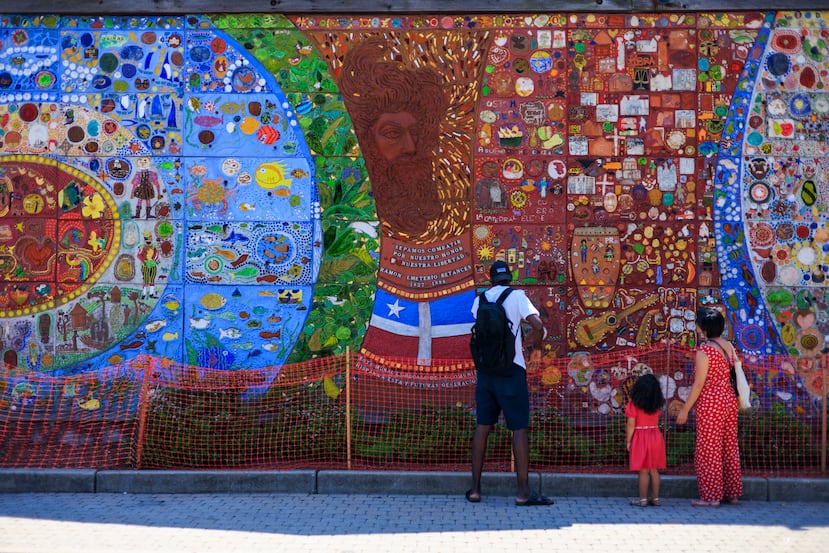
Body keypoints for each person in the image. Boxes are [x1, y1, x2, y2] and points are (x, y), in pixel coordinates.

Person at [466, 260, 553, 506]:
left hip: (485, 372)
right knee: (519, 429)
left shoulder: (479, 301)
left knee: (482, 427)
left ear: (490, 278)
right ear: (510, 277)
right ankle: (523, 493)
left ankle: (475, 490)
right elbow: (537, 324)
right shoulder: (517, 297)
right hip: (512, 370)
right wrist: (536, 351)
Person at [676, 307, 743, 507]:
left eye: (698, 323)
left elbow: (699, 384)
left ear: (704, 327)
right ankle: (732, 493)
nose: (695, 326)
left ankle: (712, 496)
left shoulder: (705, 350)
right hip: (729, 400)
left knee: (709, 448)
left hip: (711, 401)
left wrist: (685, 409)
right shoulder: (729, 347)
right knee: (729, 445)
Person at [625, 373, 666, 507]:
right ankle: (656, 498)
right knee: (654, 470)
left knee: (643, 470)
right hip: (655, 435)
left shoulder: (634, 404)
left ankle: (642, 500)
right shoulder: (656, 404)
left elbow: (631, 424)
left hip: (640, 436)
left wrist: (628, 441)